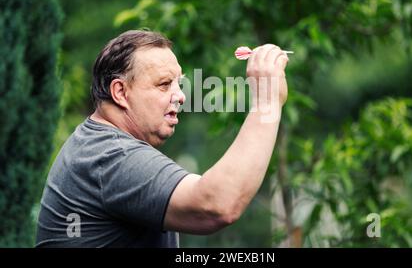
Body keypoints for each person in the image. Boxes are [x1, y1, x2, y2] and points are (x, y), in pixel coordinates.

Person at [35, 29, 289, 247]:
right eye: (164, 84)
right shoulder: (110, 156)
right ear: (120, 92)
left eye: (179, 84)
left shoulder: (97, 143)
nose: (181, 96)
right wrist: (267, 103)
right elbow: (215, 205)